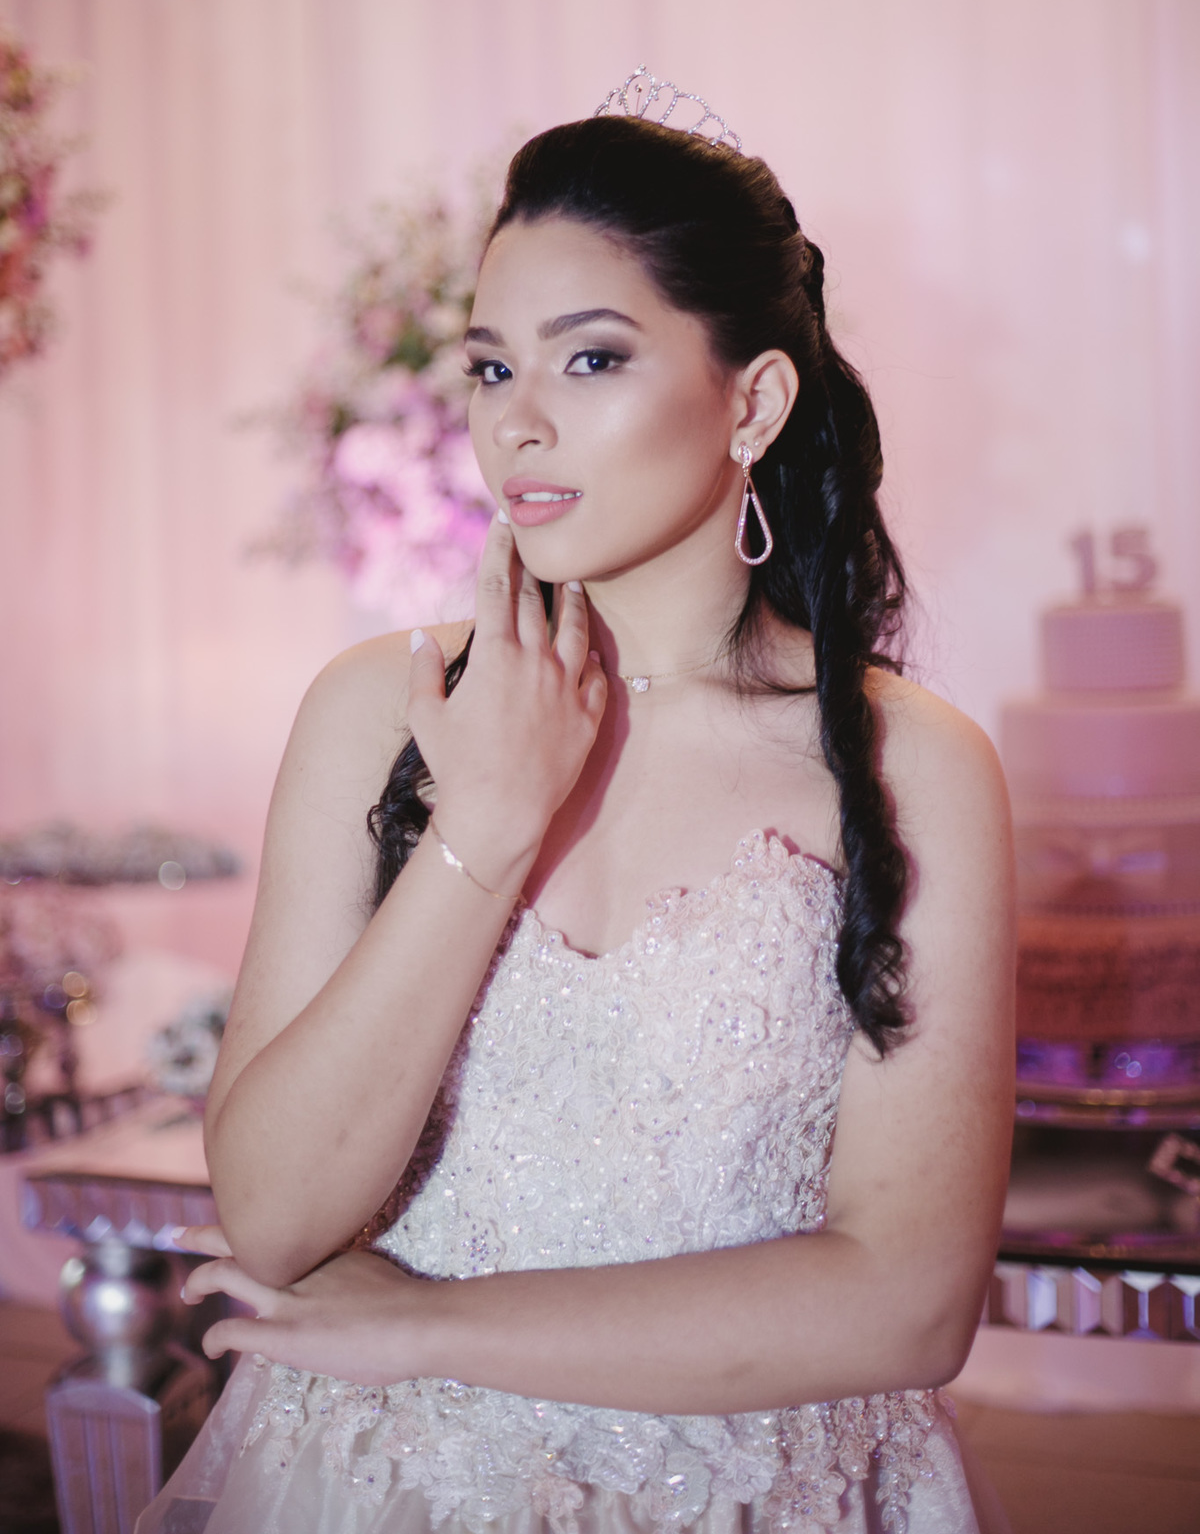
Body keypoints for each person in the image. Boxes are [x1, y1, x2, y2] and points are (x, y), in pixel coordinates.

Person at [138, 94, 1015, 1534]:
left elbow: (910, 1303)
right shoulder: (378, 712)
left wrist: (425, 1327)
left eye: (591, 358)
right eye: (492, 367)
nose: (518, 422)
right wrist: (482, 831)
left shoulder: (907, 767)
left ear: (753, 404)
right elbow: (276, 1217)